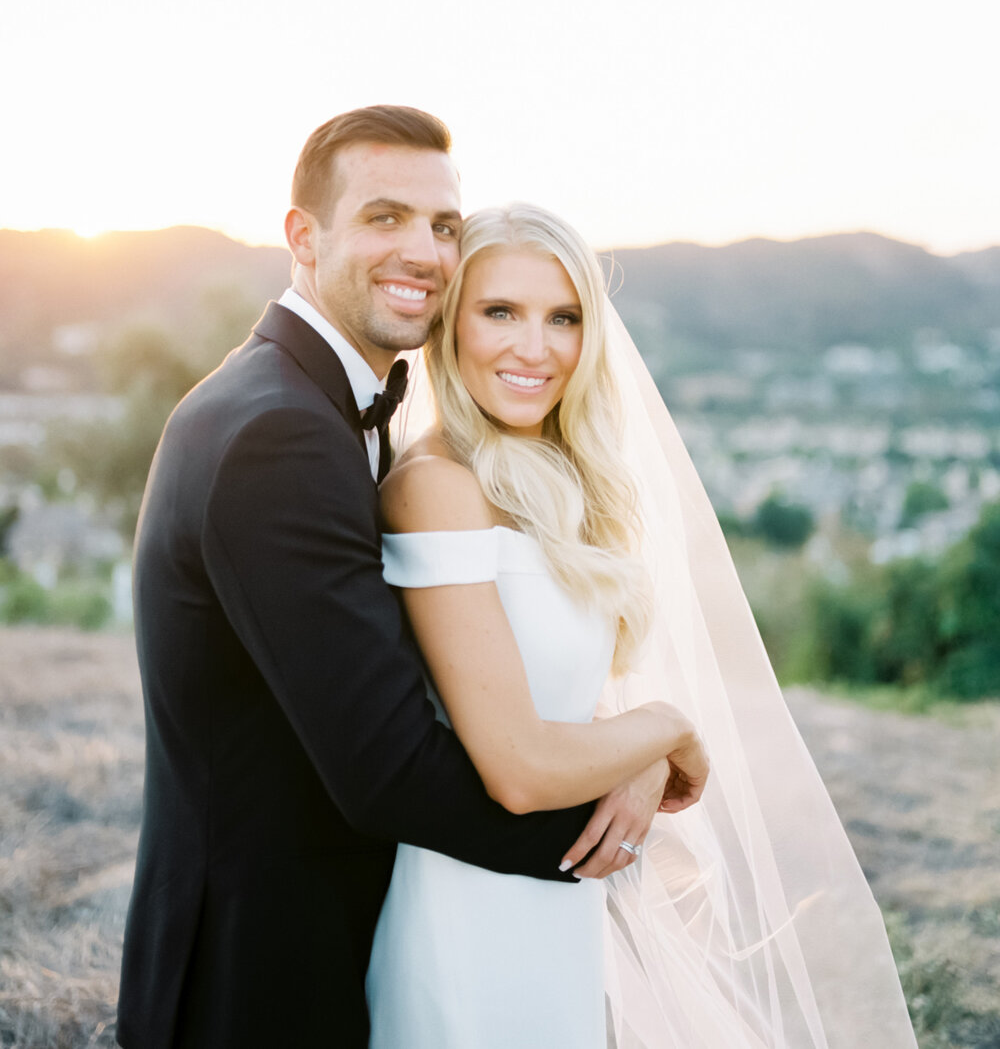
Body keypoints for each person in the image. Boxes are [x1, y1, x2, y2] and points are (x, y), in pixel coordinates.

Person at [116, 107, 699, 1049]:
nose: (422, 251)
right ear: (303, 236)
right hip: (258, 974)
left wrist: (611, 755)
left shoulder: (319, 406)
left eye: (441, 226)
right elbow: (391, 769)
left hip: (334, 939)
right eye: (385, 217)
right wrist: (627, 781)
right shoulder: (279, 432)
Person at [366, 203, 919, 1048]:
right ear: (449, 324)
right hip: (468, 905)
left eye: (564, 318)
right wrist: (664, 727)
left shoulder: (555, 481)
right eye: (500, 311)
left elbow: (549, 697)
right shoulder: (436, 486)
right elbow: (514, 767)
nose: (535, 347)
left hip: (563, 890)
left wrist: (631, 753)